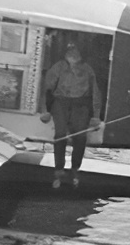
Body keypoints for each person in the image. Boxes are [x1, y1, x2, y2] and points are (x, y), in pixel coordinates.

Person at [41, 43, 102, 189]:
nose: (73, 54)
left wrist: (96, 116)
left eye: (76, 51)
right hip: (60, 103)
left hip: (81, 105)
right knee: (60, 134)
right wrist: (46, 110)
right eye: (70, 51)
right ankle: (59, 168)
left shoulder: (88, 70)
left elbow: (96, 93)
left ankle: (75, 168)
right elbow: (47, 89)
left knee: (80, 136)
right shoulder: (58, 67)